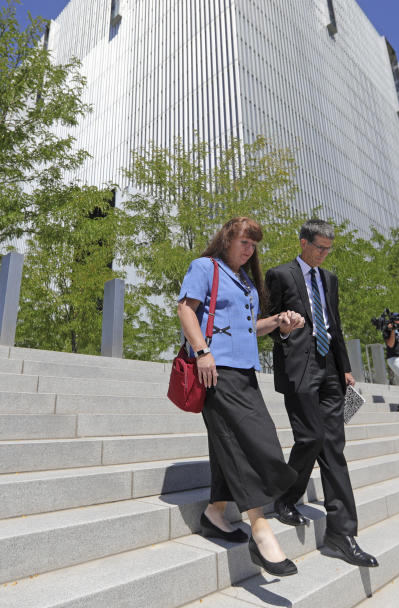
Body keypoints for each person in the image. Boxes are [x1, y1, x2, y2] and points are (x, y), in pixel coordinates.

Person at [177, 216, 306, 577]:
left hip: (244, 370)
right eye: (244, 242)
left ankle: (215, 512)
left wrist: (279, 320)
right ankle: (261, 529)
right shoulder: (205, 267)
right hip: (215, 369)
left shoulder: (247, 282)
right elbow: (186, 309)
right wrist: (202, 351)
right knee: (252, 440)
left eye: (254, 244)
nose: (249, 249)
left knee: (230, 442)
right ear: (227, 239)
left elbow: (249, 327)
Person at [265, 219, 380, 568]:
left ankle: (341, 534)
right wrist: (283, 329)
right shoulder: (279, 275)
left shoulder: (329, 280)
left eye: (329, 249)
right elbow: (266, 321)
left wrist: (344, 368)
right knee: (311, 436)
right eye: (319, 248)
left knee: (333, 446)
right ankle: (286, 495)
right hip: (299, 365)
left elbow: (334, 323)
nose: (324, 254)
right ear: (303, 243)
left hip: (330, 366)